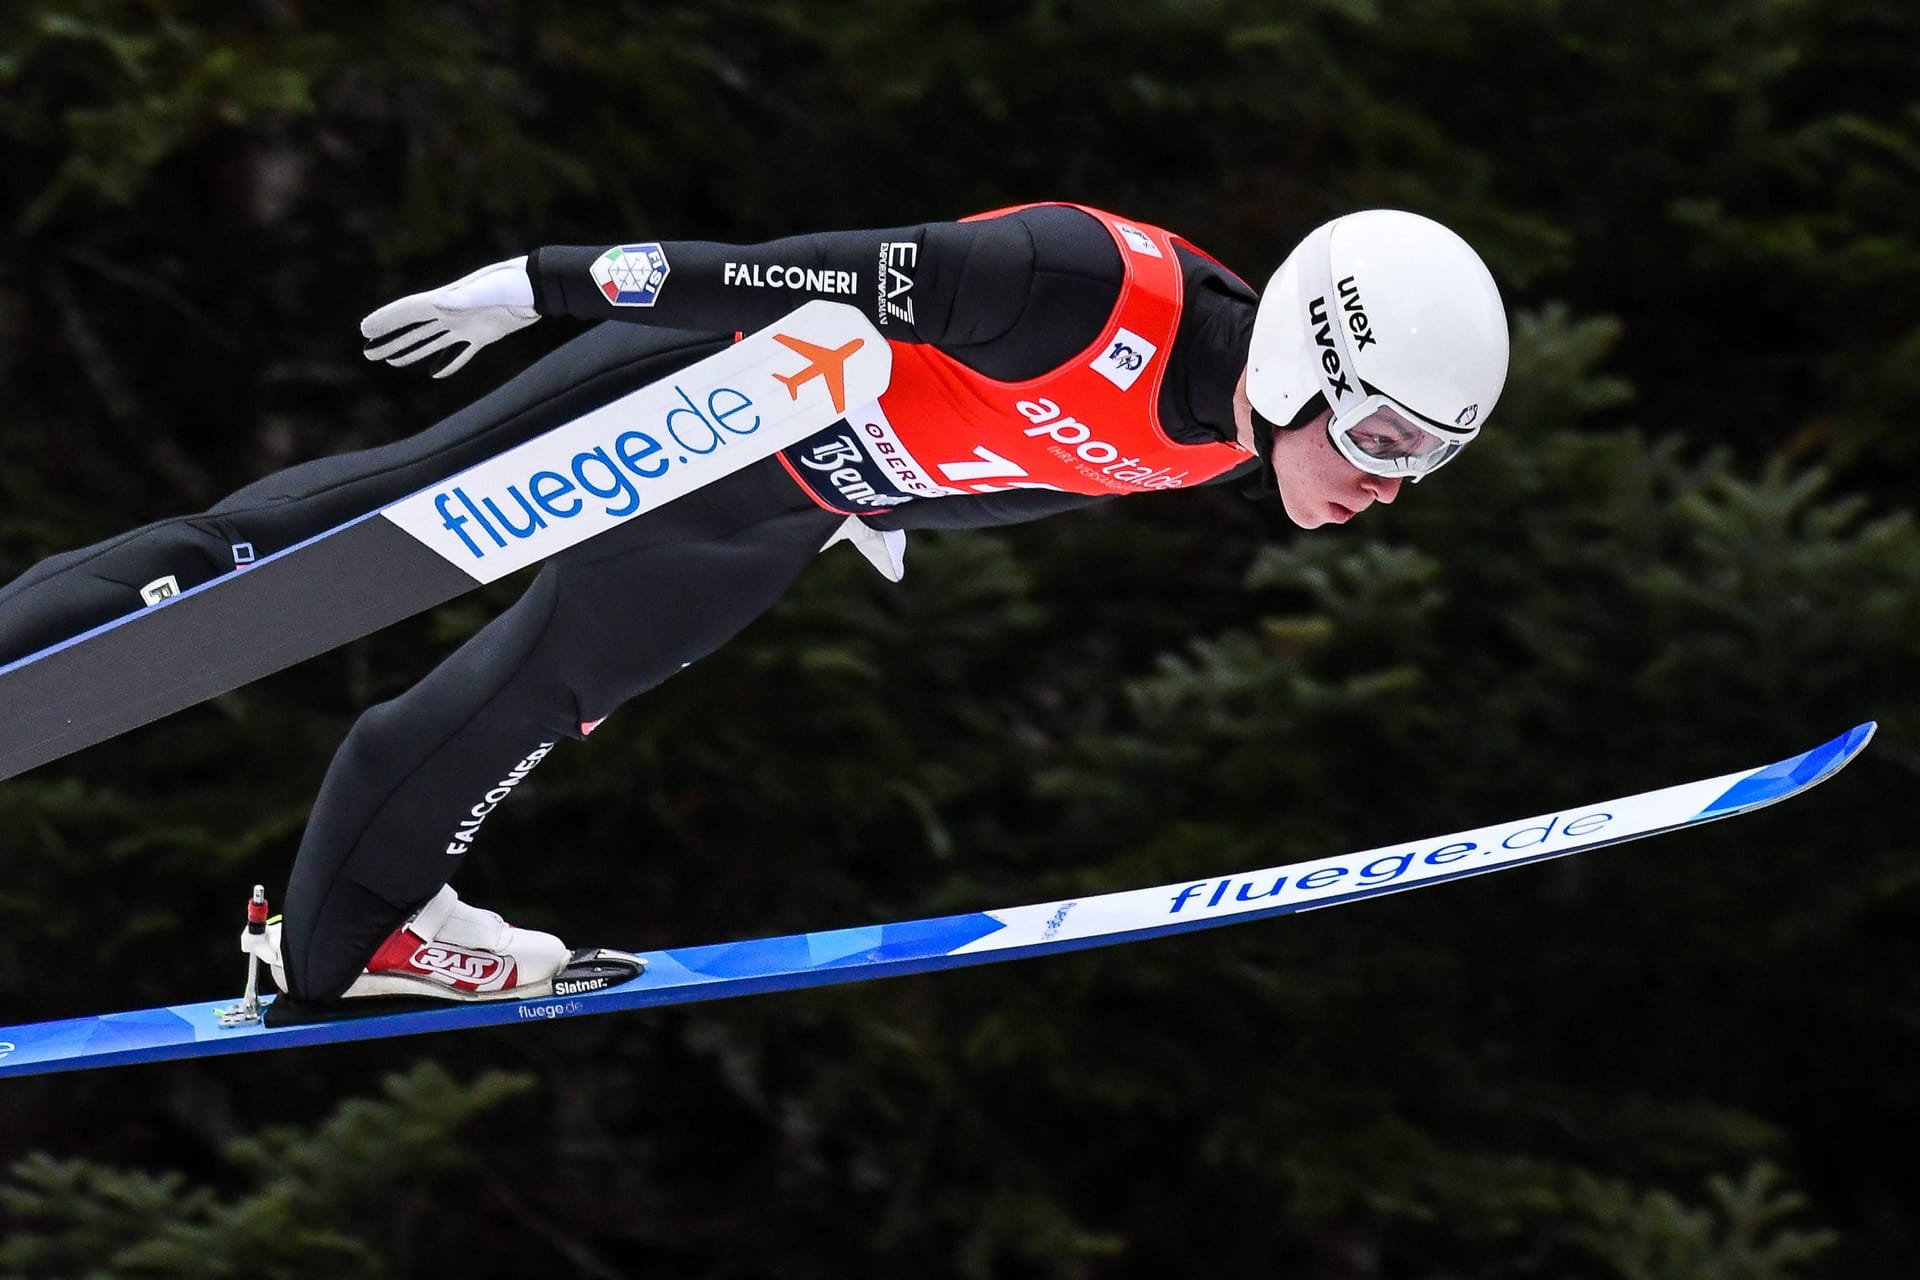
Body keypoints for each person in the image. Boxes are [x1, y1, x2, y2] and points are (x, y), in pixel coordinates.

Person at [0, 203, 1510, 1011]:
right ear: (1315, 355)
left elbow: (1009, 461)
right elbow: (806, 272)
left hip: (775, 510)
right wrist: (554, 282)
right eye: (1381, 439)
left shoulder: (1221, 434)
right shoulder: (1084, 287)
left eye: (1427, 464)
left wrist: (885, 508)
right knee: (328, 529)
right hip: (706, 405)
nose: (1388, 485)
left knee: (530, 701)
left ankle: (350, 937)